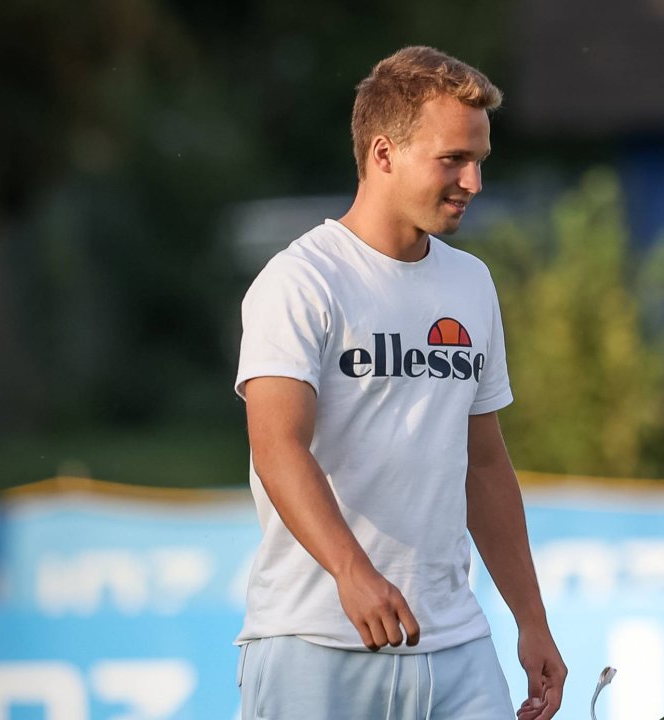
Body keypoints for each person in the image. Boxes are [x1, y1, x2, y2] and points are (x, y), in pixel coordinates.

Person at [234, 46, 565, 720]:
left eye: (480, 161)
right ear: (383, 154)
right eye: (453, 160)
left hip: (455, 644)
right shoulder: (300, 281)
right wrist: (352, 573)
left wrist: (530, 619)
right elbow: (277, 448)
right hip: (314, 639)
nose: (473, 182)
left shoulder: (471, 282)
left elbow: (484, 463)